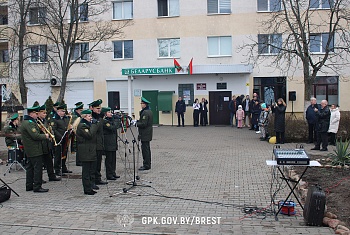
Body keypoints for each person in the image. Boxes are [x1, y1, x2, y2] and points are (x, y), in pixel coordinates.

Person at [20, 105, 50, 193]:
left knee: (30, 167)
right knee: (37, 168)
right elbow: (35, 136)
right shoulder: (29, 123)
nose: (37, 115)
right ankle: (37, 186)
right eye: (36, 113)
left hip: (30, 149)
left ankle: (29, 185)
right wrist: (45, 135)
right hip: (34, 149)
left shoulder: (27, 122)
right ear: (32, 113)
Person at [73, 109, 101, 195]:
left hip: (90, 150)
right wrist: (94, 125)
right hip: (86, 151)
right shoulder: (82, 126)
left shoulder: (87, 125)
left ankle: (90, 186)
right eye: (89, 116)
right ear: (84, 117)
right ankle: (87, 189)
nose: (91, 118)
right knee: (86, 171)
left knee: (91, 170)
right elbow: (90, 135)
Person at [37, 104, 60, 182]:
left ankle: (51, 175)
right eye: (43, 113)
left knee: (49, 161)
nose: (45, 115)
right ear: (39, 113)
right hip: (41, 145)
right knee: (40, 164)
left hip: (47, 144)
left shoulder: (45, 121)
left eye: (45, 113)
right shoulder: (37, 122)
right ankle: (39, 178)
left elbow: (49, 129)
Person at [89, 99, 108, 185]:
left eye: (99, 108)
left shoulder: (99, 118)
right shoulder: (91, 118)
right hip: (93, 144)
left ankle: (98, 178)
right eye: (97, 108)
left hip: (99, 143)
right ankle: (92, 180)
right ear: (92, 108)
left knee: (98, 163)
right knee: (93, 164)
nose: (99, 110)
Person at [52, 104, 72, 176]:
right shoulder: (55, 119)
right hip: (58, 139)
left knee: (64, 153)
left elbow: (67, 127)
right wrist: (60, 136)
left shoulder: (66, 118)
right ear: (58, 111)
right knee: (58, 154)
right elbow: (54, 129)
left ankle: (63, 167)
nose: (63, 112)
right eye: (62, 111)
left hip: (65, 138)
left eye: (64, 111)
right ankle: (57, 169)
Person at [101, 107, 120, 180]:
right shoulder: (105, 121)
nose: (111, 113)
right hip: (108, 143)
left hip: (113, 142)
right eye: (108, 112)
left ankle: (113, 172)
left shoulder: (110, 120)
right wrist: (116, 120)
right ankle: (109, 174)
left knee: (113, 159)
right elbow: (113, 127)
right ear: (105, 114)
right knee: (109, 159)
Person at [136, 97, 153, 171]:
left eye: (142, 103)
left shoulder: (145, 112)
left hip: (145, 133)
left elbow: (143, 123)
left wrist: (136, 123)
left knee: (145, 150)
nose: (141, 105)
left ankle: (146, 164)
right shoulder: (149, 111)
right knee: (147, 149)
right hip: (147, 133)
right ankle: (147, 163)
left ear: (145, 104)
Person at [71, 102, 84, 166]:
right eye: (80, 110)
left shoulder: (79, 116)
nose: (81, 111)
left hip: (79, 134)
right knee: (78, 148)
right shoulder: (75, 116)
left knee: (80, 148)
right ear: (77, 110)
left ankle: (80, 160)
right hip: (76, 134)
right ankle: (78, 161)